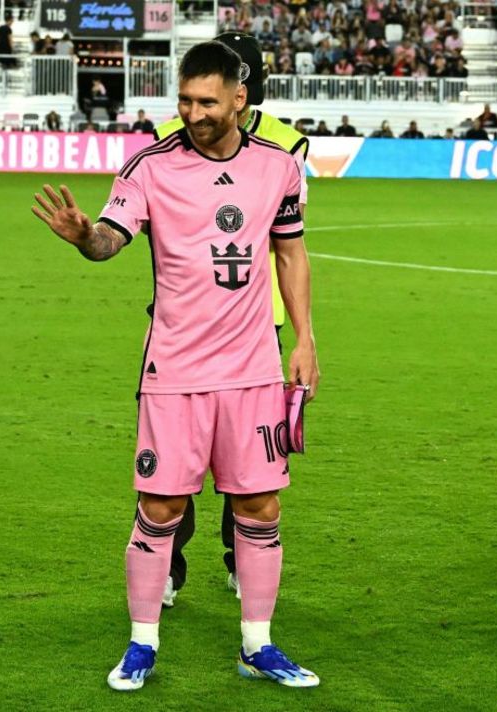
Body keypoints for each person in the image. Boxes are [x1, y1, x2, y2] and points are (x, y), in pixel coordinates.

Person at [32, 39, 320, 692]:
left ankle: (258, 644)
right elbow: (110, 239)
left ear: (239, 99)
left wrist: (304, 341)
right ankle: (141, 645)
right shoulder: (150, 168)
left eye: (206, 101)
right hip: (176, 371)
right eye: (185, 100)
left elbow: (292, 253)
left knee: (262, 505)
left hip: (252, 367)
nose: (193, 113)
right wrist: (86, 238)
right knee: (160, 508)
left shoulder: (278, 168)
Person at [153, 32, 311, 606]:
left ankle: (230, 561)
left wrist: (302, 334)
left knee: (246, 466)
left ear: (242, 89)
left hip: (253, 320)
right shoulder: (175, 139)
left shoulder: (286, 149)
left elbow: (289, 239)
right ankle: (173, 566)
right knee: (177, 459)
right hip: (186, 320)